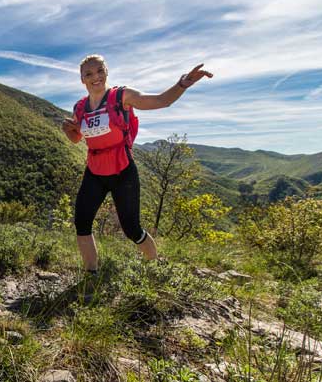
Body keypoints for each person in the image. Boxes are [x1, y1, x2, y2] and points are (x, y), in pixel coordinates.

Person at [61, 54, 212, 275]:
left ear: (106, 72)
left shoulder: (122, 96)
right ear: (82, 79)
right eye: (89, 74)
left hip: (122, 170)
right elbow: (78, 138)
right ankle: (90, 274)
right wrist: (69, 130)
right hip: (95, 171)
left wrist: (182, 84)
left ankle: (154, 268)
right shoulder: (80, 107)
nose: (96, 77)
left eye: (100, 71)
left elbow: (161, 101)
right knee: (82, 222)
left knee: (131, 228)